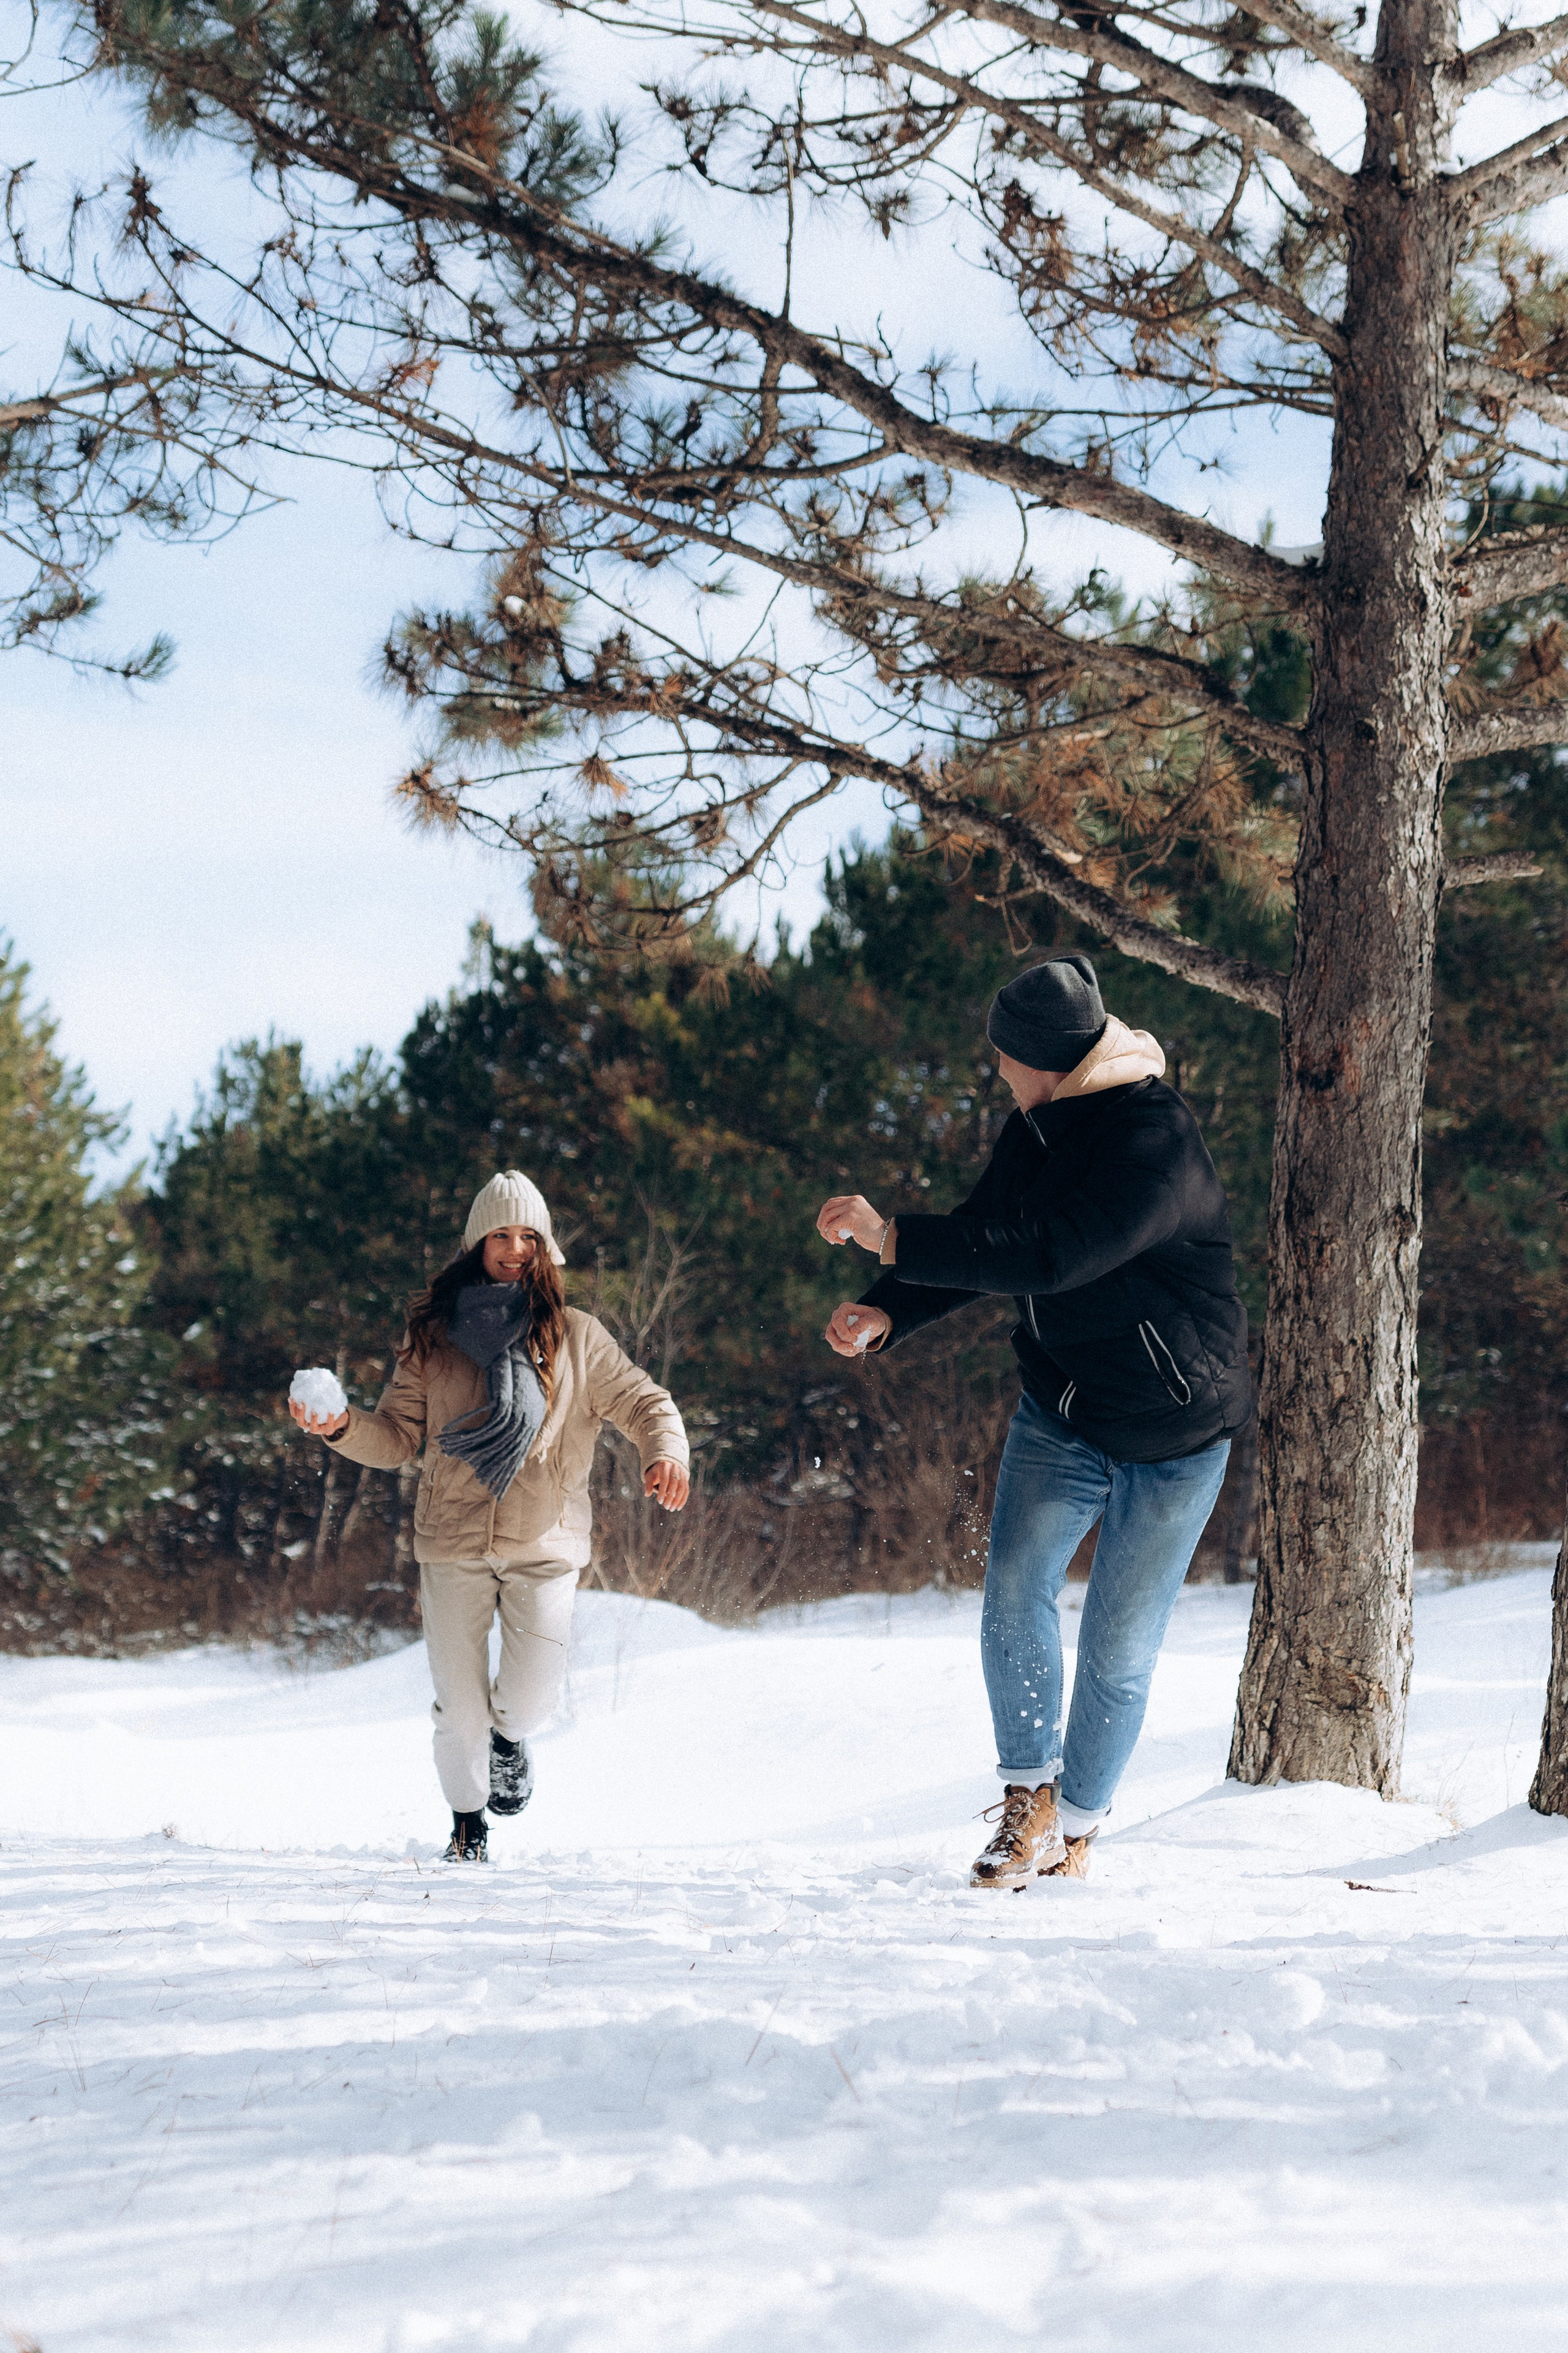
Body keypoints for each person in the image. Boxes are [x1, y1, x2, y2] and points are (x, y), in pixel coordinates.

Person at [817, 954, 1250, 1890]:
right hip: (1065, 1407)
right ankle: (1029, 1804)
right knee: (1015, 1586)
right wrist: (890, 1303)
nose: (999, 1076)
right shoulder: (1038, 1125)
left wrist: (891, 1231)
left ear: (1047, 1059)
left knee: (1118, 1645)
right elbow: (988, 1233)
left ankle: (1077, 1829)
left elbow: (1053, 1255)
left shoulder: (1153, 1141)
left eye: (1007, 1060)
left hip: (1174, 1432)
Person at [288, 1171, 690, 1862]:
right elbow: (395, 1437)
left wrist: (667, 1452)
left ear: (545, 1247)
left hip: (546, 1540)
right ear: (476, 1243)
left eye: (528, 1236)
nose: (514, 1248)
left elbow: (646, 1401)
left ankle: (512, 1744)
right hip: (452, 1541)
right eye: (500, 1235)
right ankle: (467, 1827)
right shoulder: (432, 1341)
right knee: (458, 1708)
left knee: (528, 1697)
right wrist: (339, 1425)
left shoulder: (577, 1339)